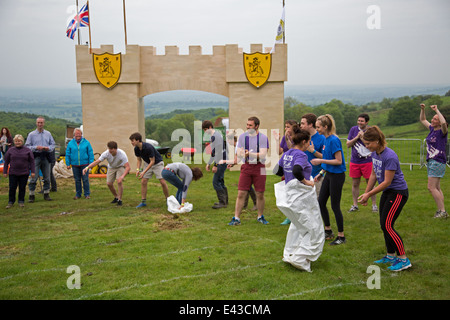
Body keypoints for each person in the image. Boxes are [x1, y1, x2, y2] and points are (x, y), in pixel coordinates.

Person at [358, 126, 412, 271]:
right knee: (384, 225)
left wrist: (369, 194)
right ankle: (390, 255)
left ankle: (404, 259)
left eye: (368, 143)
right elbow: (374, 175)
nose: (367, 146)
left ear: (377, 141)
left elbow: (387, 181)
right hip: (387, 192)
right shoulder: (375, 153)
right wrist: (366, 193)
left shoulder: (390, 156)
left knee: (388, 225)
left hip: (398, 193)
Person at [311, 114, 347, 245]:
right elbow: (329, 160)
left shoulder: (333, 140)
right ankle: (328, 230)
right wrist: (321, 172)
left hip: (337, 176)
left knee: (335, 205)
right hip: (328, 174)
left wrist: (320, 161)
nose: (317, 129)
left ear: (326, 127)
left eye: (318, 127)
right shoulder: (325, 139)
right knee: (320, 202)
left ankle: (341, 236)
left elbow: (338, 161)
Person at [228, 116, 269, 226]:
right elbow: (240, 153)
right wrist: (237, 158)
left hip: (260, 167)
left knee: (260, 193)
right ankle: (236, 218)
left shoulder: (263, 138)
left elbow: (263, 154)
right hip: (246, 167)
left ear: (256, 126)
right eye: (247, 125)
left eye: (250, 125)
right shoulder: (242, 137)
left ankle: (260, 216)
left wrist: (249, 153)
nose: (247, 127)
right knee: (241, 193)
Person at [420, 104, 448, 218]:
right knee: (437, 188)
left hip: (437, 161)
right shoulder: (432, 129)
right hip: (432, 161)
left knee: (431, 188)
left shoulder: (442, 132)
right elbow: (422, 119)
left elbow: (444, 123)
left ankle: (442, 211)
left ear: (440, 122)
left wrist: (437, 110)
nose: (432, 120)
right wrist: (423, 109)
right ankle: (441, 210)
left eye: (435, 119)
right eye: (433, 118)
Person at [83, 141, 130, 206]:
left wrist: (122, 177)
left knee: (119, 181)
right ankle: (116, 197)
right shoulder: (106, 153)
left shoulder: (122, 154)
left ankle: (120, 199)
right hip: (111, 167)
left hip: (120, 166)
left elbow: (128, 167)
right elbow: (97, 162)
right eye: (109, 149)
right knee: (109, 183)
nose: (110, 151)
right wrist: (87, 168)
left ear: (115, 149)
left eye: (111, 149)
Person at [129, 132, 169, 208]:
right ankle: (143, 202)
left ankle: (168, 199)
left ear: (138, 140)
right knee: (143, 181)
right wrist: (138, 169)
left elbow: (153, 161)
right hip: (148, 163)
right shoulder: (136, 149)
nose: (131, 142)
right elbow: (139, 160)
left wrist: (144, 171)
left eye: (133, 141)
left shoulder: (148, 147)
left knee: (162, 182)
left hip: (157, 163)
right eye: (131, 141)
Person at [346, 113, 377, 213]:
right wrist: (356, 138)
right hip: (355, 161)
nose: (359, 122)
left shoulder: (371, 130)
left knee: (370, 183)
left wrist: (363, 137)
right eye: (358, 120)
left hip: (367, 161)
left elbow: (372, 145)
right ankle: (355, 205)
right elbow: (348, 144)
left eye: (362, 121)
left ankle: (374, 205)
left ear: (367, 122)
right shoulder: (353, 129)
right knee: (355, 183)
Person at [25, 116, 56, 202]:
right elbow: (27, 146)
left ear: (44, 123)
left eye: (41, 123)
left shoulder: (48, 134)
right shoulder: (31, 134)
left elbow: (53, 144)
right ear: (36, 123)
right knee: (33, 177)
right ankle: (31, 195)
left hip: (46, 156)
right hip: (35, 156)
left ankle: (46, 194)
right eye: (38, 122)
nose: (40, 124)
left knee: (47, 177)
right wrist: (36, 147)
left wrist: (48, 148)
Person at [3, 134, 35, 208]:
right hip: (13, 173)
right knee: (12, 188)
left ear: (22, 141)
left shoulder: (28, 150)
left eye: (19, 141)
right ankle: (11, 202)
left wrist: (33, 171)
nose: (18, 142)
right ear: (14, 142)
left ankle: (21, 201)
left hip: (24, 173)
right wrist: (5, 172)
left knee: (22, 188)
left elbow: (32, 161)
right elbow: (6, 162)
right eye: (16, 141)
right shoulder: (10, 150)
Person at [202, 120, 229, 209]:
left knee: (216, 181)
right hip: (222, 159)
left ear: (210, 127)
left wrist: (215, 165)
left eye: (206, 129)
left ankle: (222, 202)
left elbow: (218, 152)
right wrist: (209, 163)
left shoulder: (215, 136)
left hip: (221, 160)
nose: (205, 132)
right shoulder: (215, 135)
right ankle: (225, 201)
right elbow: (214, 152)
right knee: (220, 180)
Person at [300, 113, 325, 197]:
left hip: (317, 176)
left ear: (310, 124)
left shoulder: (322, 138)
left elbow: (326, 158)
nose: (301, 126)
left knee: (317, 202)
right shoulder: (302, 137)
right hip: (303, 176)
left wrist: (313, 151)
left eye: (303, 123)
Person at [65, 128, 94, 200]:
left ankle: (87, 194)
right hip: (75, 165)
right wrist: (68, 163)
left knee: (85, 180)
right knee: (77, 180)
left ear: (81, 134)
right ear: (74, 135)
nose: (78, 135)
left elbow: (90, 153)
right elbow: (67, 154)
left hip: (85, 164)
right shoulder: (70, 143)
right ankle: (78, 194)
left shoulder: (86, 142)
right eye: (76, 133)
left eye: (79, 133)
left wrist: (91, 164)